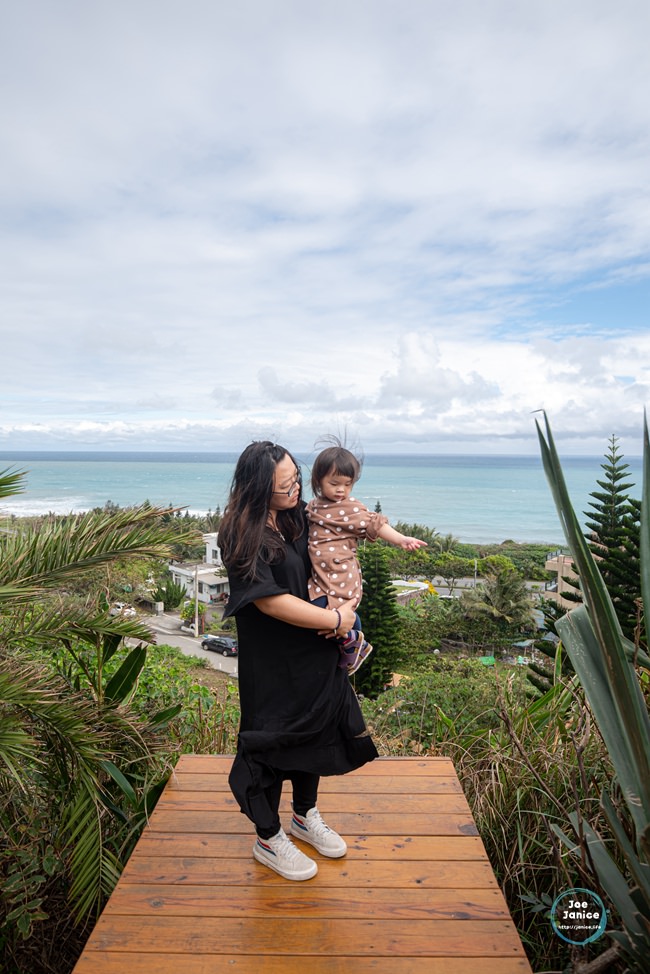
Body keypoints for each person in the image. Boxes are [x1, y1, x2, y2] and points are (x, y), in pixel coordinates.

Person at [218, 440, 379, 882]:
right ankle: (268, 836)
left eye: (296, 480)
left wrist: (346, 604)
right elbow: (268, 600)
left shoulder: (298, 515)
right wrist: (335, 618)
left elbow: (340, 542)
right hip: (272, 660)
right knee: (269, 741)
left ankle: (304, 816)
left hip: (316, 650)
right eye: (284, 486)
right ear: (257, 489)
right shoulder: (241, 533)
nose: (295, 490)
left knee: (316, 731)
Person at [306, 442, 427, 674]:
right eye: (334, 483)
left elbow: (374, 524)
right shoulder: (314, 506)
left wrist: (401, 539)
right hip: (321, 573)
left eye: (347, 484)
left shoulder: (349, 508)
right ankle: (352, 642)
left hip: (340, 573)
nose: (341, 490)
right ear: (318, 480)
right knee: (319, 612)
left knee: (323, 611)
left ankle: (352, 639)